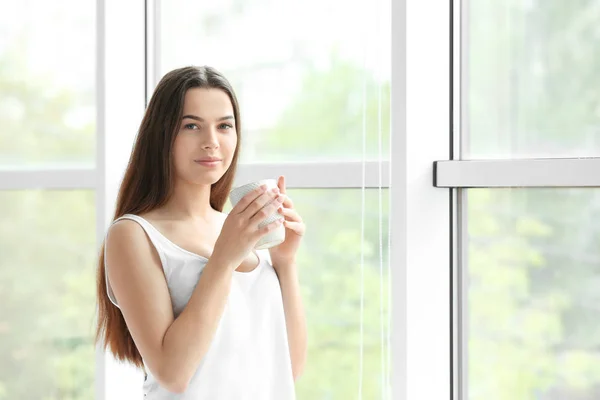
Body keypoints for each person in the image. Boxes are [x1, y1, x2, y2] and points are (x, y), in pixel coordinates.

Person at [95, 66, 307, 399]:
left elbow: (289, 368)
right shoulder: (134, 235)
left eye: (224, 126)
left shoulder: (242, 231)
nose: (211, 142)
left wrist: (285, 262)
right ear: (162, 135)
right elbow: (173, 374)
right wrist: (223, 259)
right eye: (192, 126)